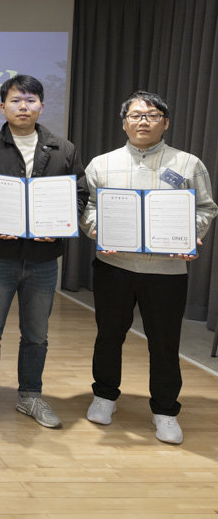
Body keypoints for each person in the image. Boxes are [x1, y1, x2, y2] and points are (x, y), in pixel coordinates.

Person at [79, 91, 216, 445]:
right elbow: (89, 207)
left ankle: (166, 411)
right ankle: (105, 396)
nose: (143, 121)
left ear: (165, 123)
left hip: (167, 272)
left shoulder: (188, 164)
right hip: (114, 266)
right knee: (109, 335)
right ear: (124, 122)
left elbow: (205, 208)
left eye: (152, 115)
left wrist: (190, 236)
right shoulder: (102, 163)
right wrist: (97, 230)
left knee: (165, 342)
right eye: (136, 115)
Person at [0, 74, 87, 428]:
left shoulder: (63, 149)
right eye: (16, 100)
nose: (23, 106)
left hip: (43, 259)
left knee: (37, 333)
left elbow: (78, 194)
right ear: (3, 106)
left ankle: (30, 396)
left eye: (30, 100)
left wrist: (59, 225)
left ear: (41, 106)